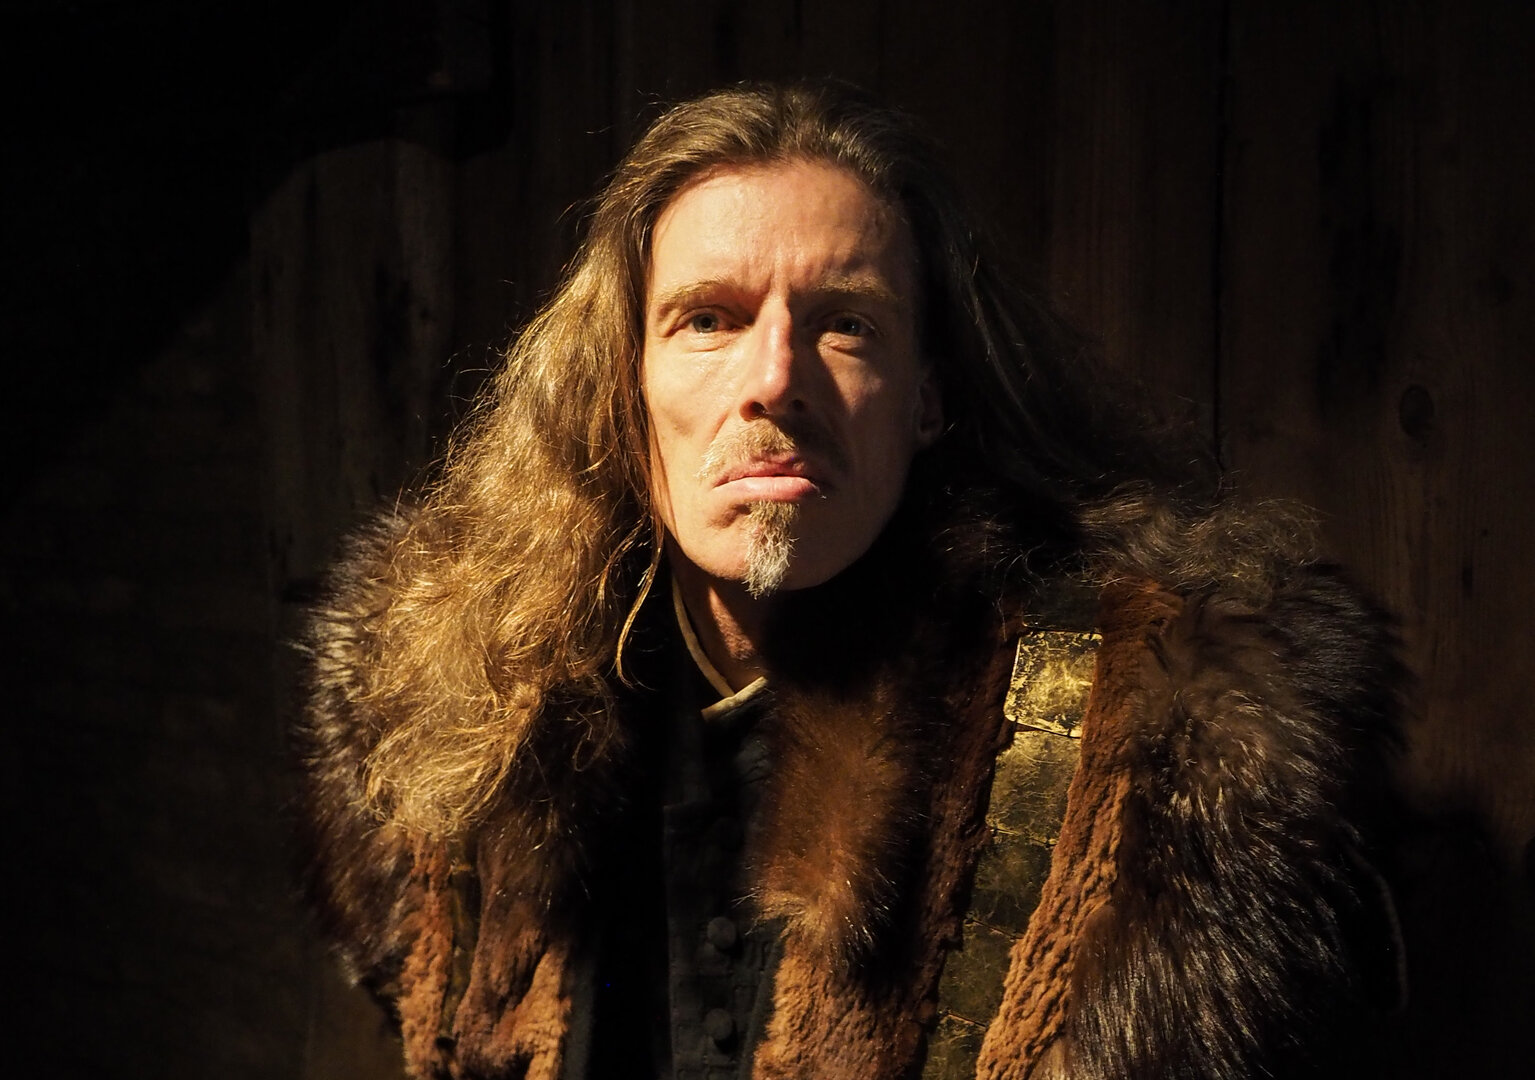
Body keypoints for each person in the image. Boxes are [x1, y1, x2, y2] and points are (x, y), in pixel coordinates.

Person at [298, 82, 1402, 1079]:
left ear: (925, 400)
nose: (774, 378)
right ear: (623, 390)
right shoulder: (479, 701)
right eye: (708, 320)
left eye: (845, 326)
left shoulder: (1132, 738)